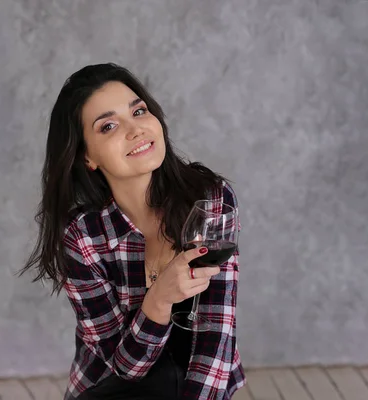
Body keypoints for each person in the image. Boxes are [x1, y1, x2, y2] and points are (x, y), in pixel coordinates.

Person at [21, 63, 246, 399]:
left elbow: (216, 336)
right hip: (115, 388)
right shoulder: (82, 238)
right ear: (87, 157)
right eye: (108, 126)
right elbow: (125, 368)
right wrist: (159, 300)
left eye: (139, 111)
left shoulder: (210, 199)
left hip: (196, 383)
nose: (136, 129)